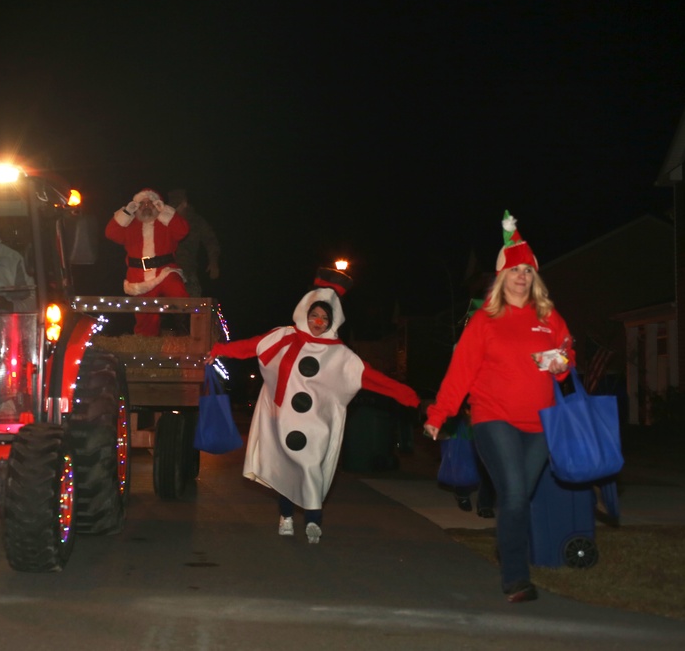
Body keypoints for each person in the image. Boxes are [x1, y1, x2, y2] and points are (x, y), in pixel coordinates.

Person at [423, 210, 574, 604]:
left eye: (528, 270)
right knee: (514, 493)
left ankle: (507, 544)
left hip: (540, 423)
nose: (522, 276)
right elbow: (461, 371)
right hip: (494, 417)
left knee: (518, 497)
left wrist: (559, 362)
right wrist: (439, 414)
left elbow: (565, 362)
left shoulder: (549, 317)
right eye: (515, 269)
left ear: (535, 276)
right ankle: (516, 578)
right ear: (502, 275)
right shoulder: (485, 320)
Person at [205, 268, 420, 544]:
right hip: (282, 421)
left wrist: (408, 396)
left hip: (316, 425)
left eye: (324, 318)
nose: (318, 322)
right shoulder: (284, 337)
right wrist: (219, 350)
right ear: (305, 313)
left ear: (333, 320)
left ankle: (313, 521)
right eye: (314, 315)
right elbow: (250, 347)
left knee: (310, 468)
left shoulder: (340, 354)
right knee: (286, 468)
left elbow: (370, 378)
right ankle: (286, 517)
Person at [105, 189, 190, 336]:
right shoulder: (130, 224)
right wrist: (126, 212)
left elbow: (183, 231)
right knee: (145, 319)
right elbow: (111, 233)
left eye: (150, 203)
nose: (146, 206)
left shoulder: (166, 222)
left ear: (156, 205)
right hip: (139, 277)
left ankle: (187, 331)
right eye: (142, 203)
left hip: (165, 271)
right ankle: (146, 343)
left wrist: (165, 211)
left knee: (181, 297)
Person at [167, 189, 220, 297]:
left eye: (176, 206)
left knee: (193, 300)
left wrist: (213, 262)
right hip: (167, 270)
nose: (174, 210)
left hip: (188, 269)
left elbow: (211, 241)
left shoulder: (197, 221)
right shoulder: (165, 220)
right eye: (172, 206)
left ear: (184, 204)